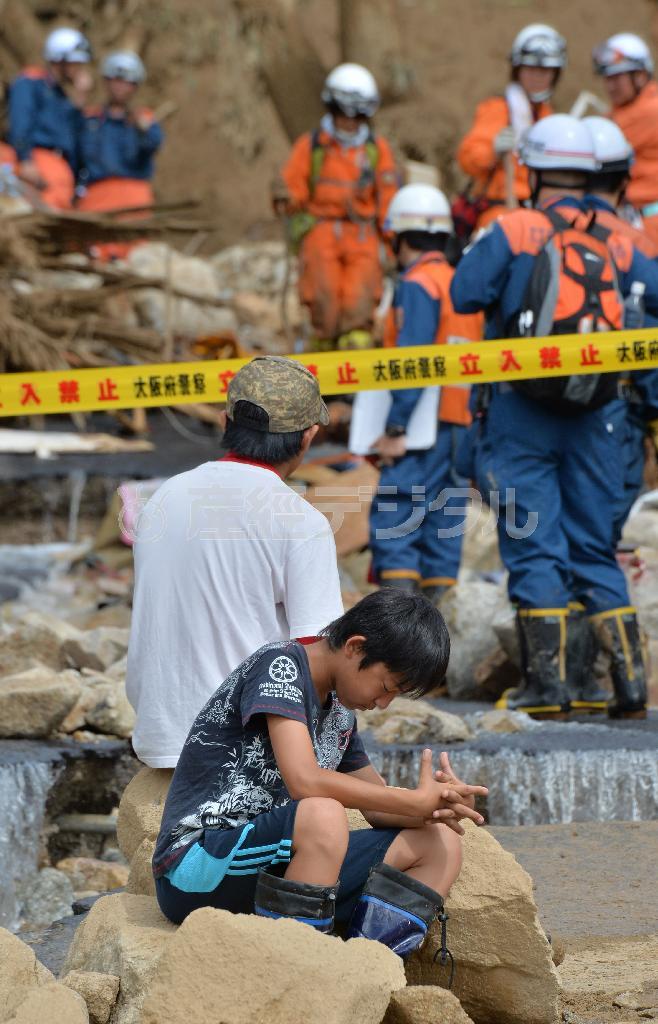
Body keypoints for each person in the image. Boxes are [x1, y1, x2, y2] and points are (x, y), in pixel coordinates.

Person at [450, 114, 658, 720]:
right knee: (596, 547)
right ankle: (627, 686)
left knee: (534, 543)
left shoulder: (514, 226)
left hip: (521, 412)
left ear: (532, 170)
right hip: (601, 412)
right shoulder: (622, 237)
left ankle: (548, 687)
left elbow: (465, 292)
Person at [153, 588, 488, 963]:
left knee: (439, 844)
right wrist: (411, 800)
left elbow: (377, 807)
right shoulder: (280, 666)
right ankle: (302, 974)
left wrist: (439, 806)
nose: (382, 704)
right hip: (197, 867)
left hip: (279, 868)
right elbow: (305, 780)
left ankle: (368, 971)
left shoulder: (340, 712)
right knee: (323, 814)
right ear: (356, 647)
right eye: (386, 687)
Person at [125, 356, 344, 769]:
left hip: (160, 737)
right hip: (241, 747)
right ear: (309, 436)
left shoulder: (163, 500)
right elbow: (317, 658)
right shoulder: (299, 522)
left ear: (226, 421)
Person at [368, 184, 482, 602]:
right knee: (444, 523)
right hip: (461, 423)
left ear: (399, 237)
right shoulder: (459, 284)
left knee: (397, 516)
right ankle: (438, 641)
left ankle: (399, 638)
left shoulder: (417, 284)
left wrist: (396, 425)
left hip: (422, 424)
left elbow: (412, 358)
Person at [274, 63, 398, 351]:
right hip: (321, 232)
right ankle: (322, 367)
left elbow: (387, 199)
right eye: (344, 114)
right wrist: (285, 196)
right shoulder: (312, 146)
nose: (349, 122)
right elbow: (295, 188)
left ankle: (355, 379)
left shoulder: (376, 150)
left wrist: (393, 242)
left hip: (363, 236)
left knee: (360, 300)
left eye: (358, 115)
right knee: (323, 301)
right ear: (332, 109)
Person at [456, 24, 566, 234]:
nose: (537, 77)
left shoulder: (547, 115)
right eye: (531, 69)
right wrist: (493, 152)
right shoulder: (499, 109)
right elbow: (467, 158)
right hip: (500, 208)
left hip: (540, 209)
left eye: (545, 71)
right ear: (518, 70)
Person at [8, 27, 92, 209]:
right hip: (38, 164)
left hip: (61, 172)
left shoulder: (64, 99)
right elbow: (21, 121)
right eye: (75, 63)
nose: (79, 69)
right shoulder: (30, 83)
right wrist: (25, 160)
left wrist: (79, 104)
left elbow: (78, 143)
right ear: (60, 60)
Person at [77, 51, 163, 216]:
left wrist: (142, 128)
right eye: (115, 79)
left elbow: (153, 144)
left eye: (127, 82)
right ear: (106, 81)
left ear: (135, 86)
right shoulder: (89, 120)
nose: (120, 86)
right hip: (96, 198)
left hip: (135, 198)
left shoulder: (144, 119)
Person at [592, 33, 658, 246]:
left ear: (640, 75)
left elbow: (596, 144)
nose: (610, 86)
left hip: (650, 224)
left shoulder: (650, 110)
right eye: (607, 78)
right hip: (636, 220)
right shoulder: (625, 109)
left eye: (617, 78)